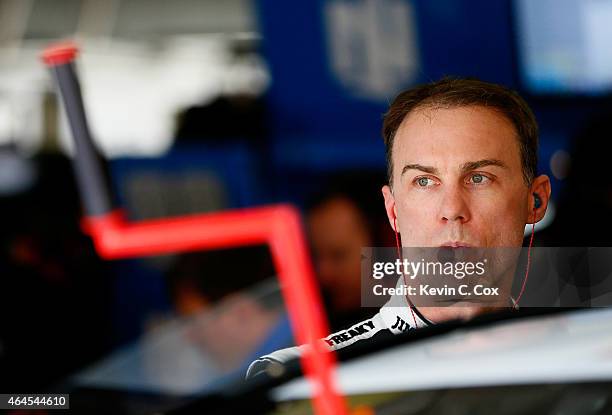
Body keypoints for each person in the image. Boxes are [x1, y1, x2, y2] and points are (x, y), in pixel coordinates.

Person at [246, 77, 552, 378]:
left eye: (479, 178)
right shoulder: (299, 377)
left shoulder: (579, 353)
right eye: (424, 181)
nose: (452, 210)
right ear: (393, 210)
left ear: (535, 201)